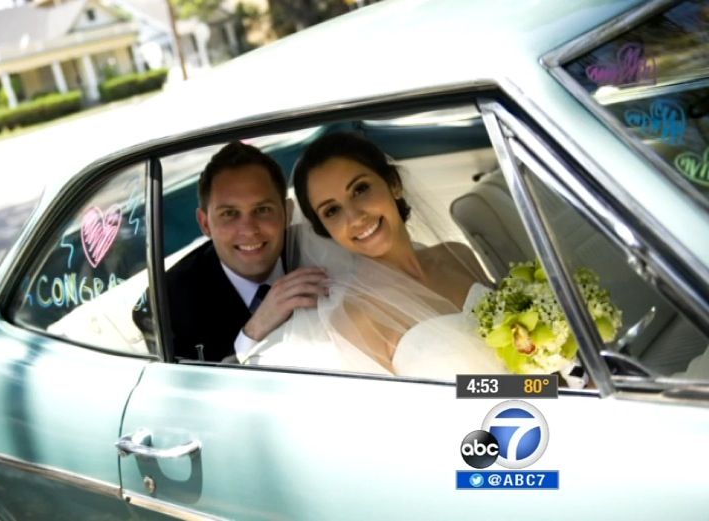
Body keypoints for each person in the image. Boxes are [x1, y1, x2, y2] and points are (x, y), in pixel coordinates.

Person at [244, 132, 507, 377]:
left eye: (360, 189)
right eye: (332, 211)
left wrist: (543, 387)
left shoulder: (458, 255)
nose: (356, 217)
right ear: (325, 229)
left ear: (393, 184)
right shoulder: (356, 317)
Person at [139, 141, 328, 362]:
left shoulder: (323, 253)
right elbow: (190, 392)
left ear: (286, 213)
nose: (249, 230)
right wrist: (253, 332)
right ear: (205, 224)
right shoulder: (166, 304)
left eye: (262, 210)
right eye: (230, 213)